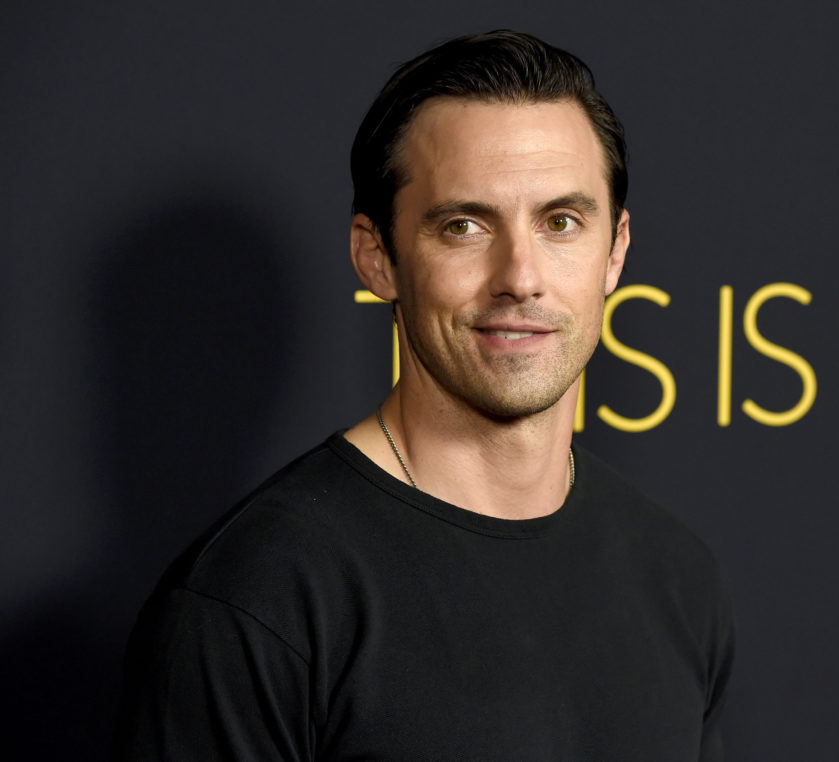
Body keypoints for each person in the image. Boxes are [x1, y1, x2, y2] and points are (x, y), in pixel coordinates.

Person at [114, 30, 734, 760]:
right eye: (464, 226)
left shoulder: (675, 575)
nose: (521, 276)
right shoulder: (255, 599)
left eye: (560, 223)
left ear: (616, 250)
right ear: (377, 256)